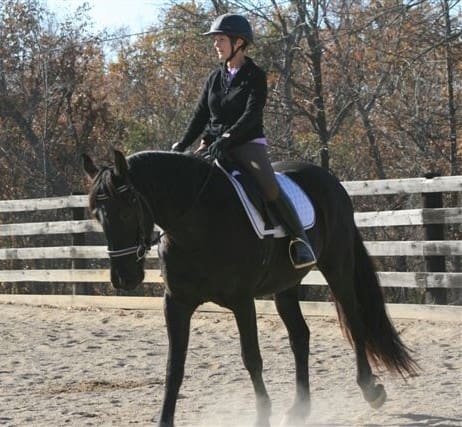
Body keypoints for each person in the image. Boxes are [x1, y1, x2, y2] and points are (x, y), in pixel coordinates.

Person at [171, 13, 316, 269]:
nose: (216, 44)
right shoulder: (214, 78)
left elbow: (251, 116)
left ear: (238, 42)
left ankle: (300, 241)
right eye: (215, 40)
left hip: (247, 144)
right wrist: (182, 144)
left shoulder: (254, 75)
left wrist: (226, 138)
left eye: (221, 39)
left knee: (269, 187)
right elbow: (200, 114)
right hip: (214, 144)